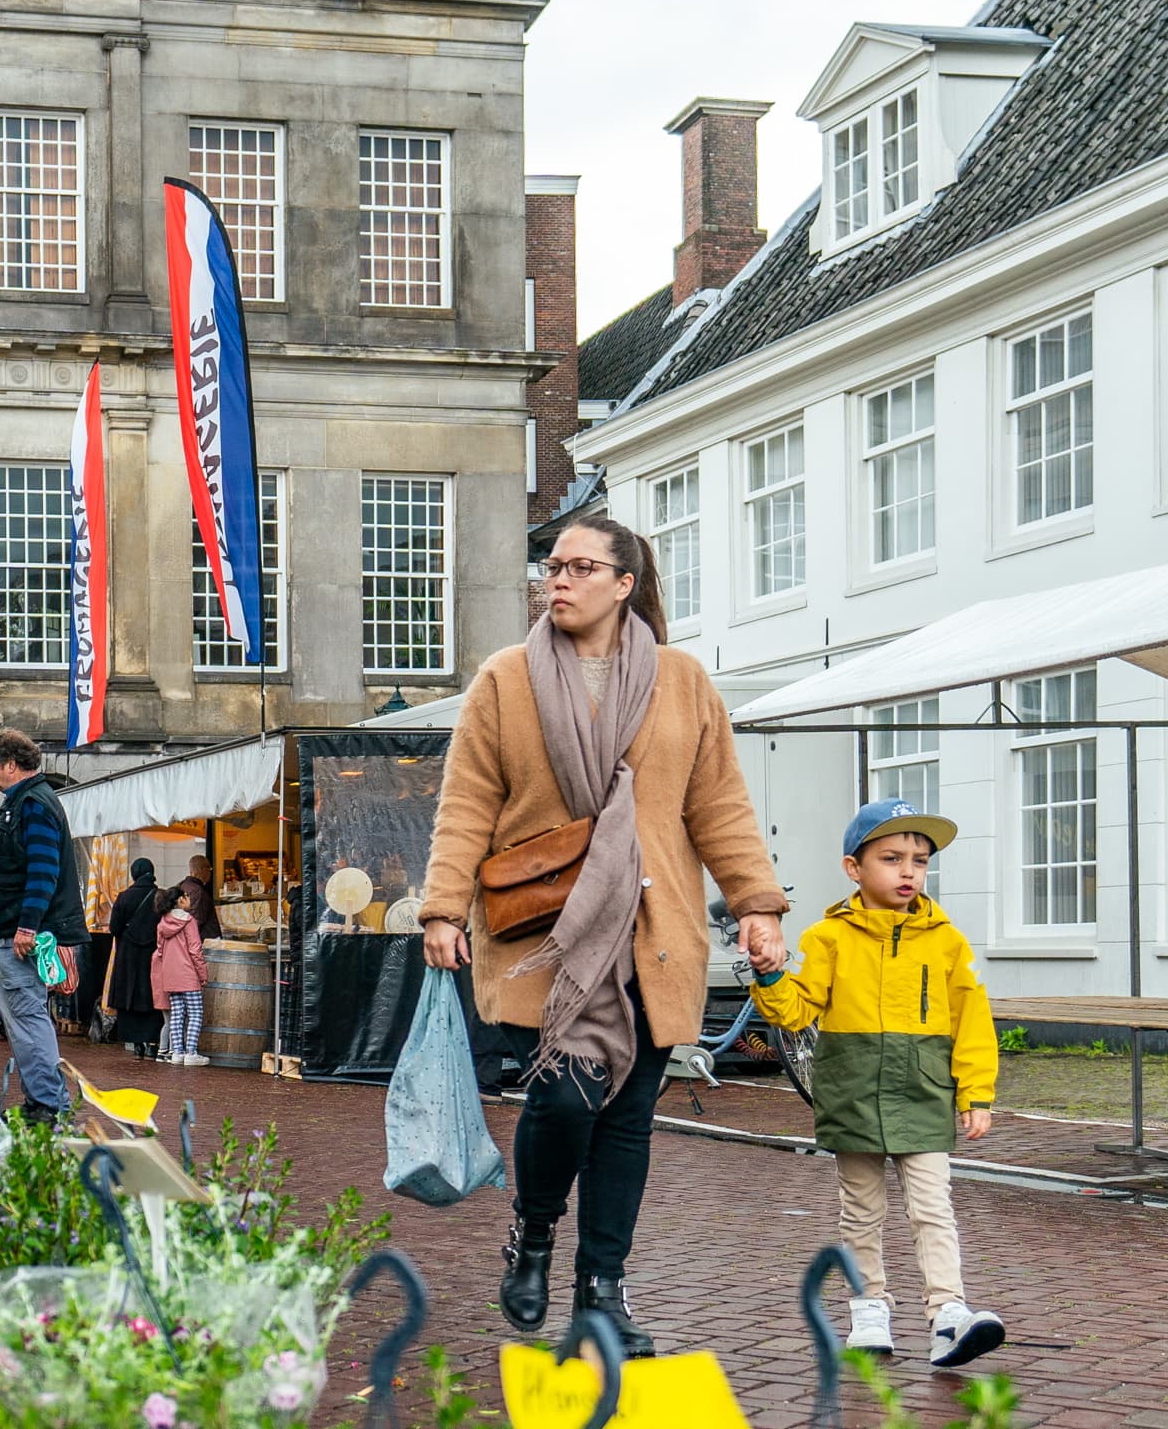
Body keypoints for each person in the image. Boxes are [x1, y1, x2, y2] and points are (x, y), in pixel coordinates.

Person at [420, 513, 787, 1356]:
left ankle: (602, 1292)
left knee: (626, 1116)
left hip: (653, 932)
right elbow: (467, 800)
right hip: (544, 934)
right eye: (553, 565)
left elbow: (718, 803)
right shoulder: (506, 678)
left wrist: (756, 903)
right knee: (563, 1095)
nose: (559, 578)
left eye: (581, 567)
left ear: (625, 583)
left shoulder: (683, 681)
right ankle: (534, 1230)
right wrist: (442, 907)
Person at [752, 801, 1006, 1368]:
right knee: (861, 1211)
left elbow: (972, 1022)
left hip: (924, 1094)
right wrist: (769, 974)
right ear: (854, 867)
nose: (908, 871)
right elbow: (795, 1012)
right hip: (853, 1093)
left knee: (933, 1207)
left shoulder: (947, 941)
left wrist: (976, 1092)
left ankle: (948, 1314)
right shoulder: (827, 938)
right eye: (892, 859)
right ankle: (869, 1309)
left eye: (919, 860)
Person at [0, 726, 90, 1122]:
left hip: (20, 936)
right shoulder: (27, 802)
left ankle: (49, 1104)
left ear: (11, 765)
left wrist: (27, 926)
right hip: (11, 932)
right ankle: (43, 1099)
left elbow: (43, 871)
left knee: (26, 1016)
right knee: (23, 1018)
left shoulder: (33, 804)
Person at [103, 859, 169, 1057]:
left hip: (128, 956)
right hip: (154, 955)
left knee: (130, 996)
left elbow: (114, 928)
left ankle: (137, 1043)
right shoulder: (161, 896)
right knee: (152, 995)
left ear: (134, 874)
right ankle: (153, 1043)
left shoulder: (124, 897)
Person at [152, 882, 209, 1067]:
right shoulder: (189, 921)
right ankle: (191, 1053)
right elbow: (195, 950)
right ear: (180, 900)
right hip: (188, 975)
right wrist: (203, 973)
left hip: (170, 975)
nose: (189, 899)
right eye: (186, 896)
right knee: (195, 1013)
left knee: (176, 1015)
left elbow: (160, 950)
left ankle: (177, 1052)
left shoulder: (162, 923)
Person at [180, 852, 223, 941]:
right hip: (204, 940)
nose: (210, 872)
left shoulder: (182, 886)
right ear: (203, 869)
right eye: (209, 869)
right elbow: (196, 921)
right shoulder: (198, 891)